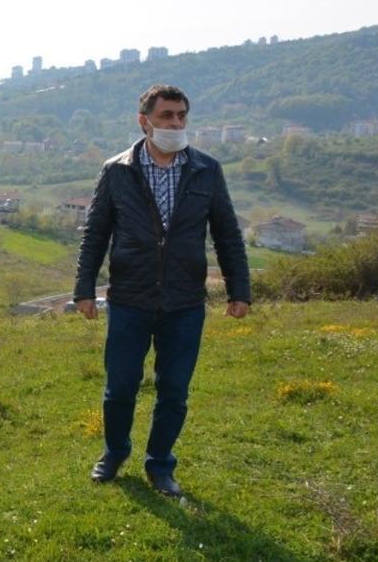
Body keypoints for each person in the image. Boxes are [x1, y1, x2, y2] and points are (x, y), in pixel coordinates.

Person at [73, 84, 250, 498]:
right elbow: (95, 234)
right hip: (130, 299)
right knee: (120, 387)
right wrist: (83, 289)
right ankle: (114, 453)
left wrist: (238, 290)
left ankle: (160, 465)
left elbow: (227, 233)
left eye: (181, 116)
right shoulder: (117, 170)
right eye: (167, 115)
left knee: (174, 390)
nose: (175, 123)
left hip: (185, 301)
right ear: (144, 121)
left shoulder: (206, 170)